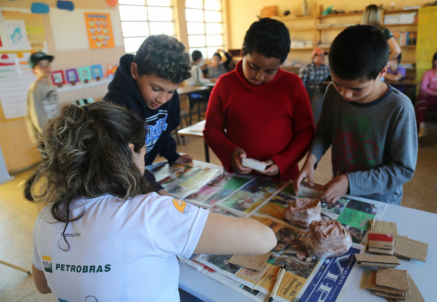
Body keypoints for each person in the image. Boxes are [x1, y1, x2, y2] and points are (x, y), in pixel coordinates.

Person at [31, 102, 277, 301]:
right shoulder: (148, 213)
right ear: (130, 152)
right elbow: (265, 238)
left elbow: (42, 285)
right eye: (143, 153)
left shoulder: (46, 218)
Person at [294, 25, 418, 205]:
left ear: (382, 72)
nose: (345, 95)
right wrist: (311, 159)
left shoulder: (399, 108)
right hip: (341, 194)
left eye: (356, 89)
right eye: (338, 84)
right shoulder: (332, 92)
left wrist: (350, 182)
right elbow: (324, 133)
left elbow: (403, 169)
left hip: (381, 200)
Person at [203, 18, 315, 181]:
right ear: (242, 53)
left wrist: (283, 161)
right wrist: (231, 152)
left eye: (270, 71)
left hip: (283, 177)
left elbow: (305, 132)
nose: (259, 76)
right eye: (253, 66)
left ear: (281, 64)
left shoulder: (293, 86)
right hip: (239, 178)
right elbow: (211, 129)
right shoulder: (224, 85)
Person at [104, 35, 193, 196]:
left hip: (143, 172)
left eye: (171, 91)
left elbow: (164, 132)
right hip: (116, 180)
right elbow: (124, 162)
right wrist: (155, 188)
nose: (162, 99)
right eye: (156, 88)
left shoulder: (169, 99)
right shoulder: (116, 103)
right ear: (134, 70)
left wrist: (172, 155)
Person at [24, 51, 59, 201]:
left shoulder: (50, 85)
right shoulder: (35, 88)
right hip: (45, 134)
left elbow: (55, 108)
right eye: (41, 65)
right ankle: (29, 187)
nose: (45, 68)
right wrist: (46, 135)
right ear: (34, 70)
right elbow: (36, 115)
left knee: (51, 163)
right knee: (49, 164)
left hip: (55, 131)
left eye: (47, 64)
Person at [415, 49, 437, 137]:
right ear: (434, 61)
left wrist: (429, 87)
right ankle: (422, 129)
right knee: (421, 97)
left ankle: (419, 132)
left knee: (418, 108)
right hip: (435, 97)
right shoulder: (428, 73)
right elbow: (422, 89)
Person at [299, 48, 331, 123]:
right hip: (307, 89)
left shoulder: (326, 68)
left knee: (318, 102)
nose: (323, 58)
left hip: (319, 90)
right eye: (321, 55)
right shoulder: (306, 68)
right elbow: (301, 85)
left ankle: (313, 124)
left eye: (324, 56)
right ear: (314, 57)